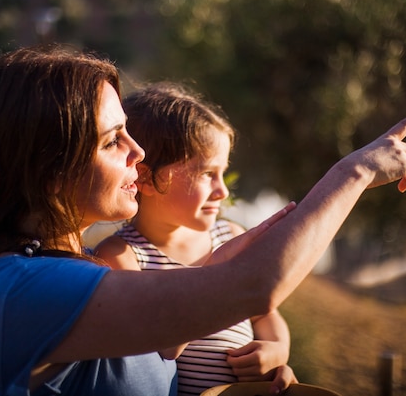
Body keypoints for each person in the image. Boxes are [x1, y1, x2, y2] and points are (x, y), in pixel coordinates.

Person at [0, 43, 406, 396]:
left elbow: (186, 332)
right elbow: (258, 287)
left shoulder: (72, 273)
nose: (138, 151)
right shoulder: (24, 290)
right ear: (50, 169)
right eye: (114, 140)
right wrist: (356, 170)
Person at [92, 82, 293, 395]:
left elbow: (266, 314)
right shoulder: (122, 257)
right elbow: (157, 346)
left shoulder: (230, 236)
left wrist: (276, 351)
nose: (222, 190)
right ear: (145, 177)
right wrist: (212, 271)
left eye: (222, 173)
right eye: (206, 173)